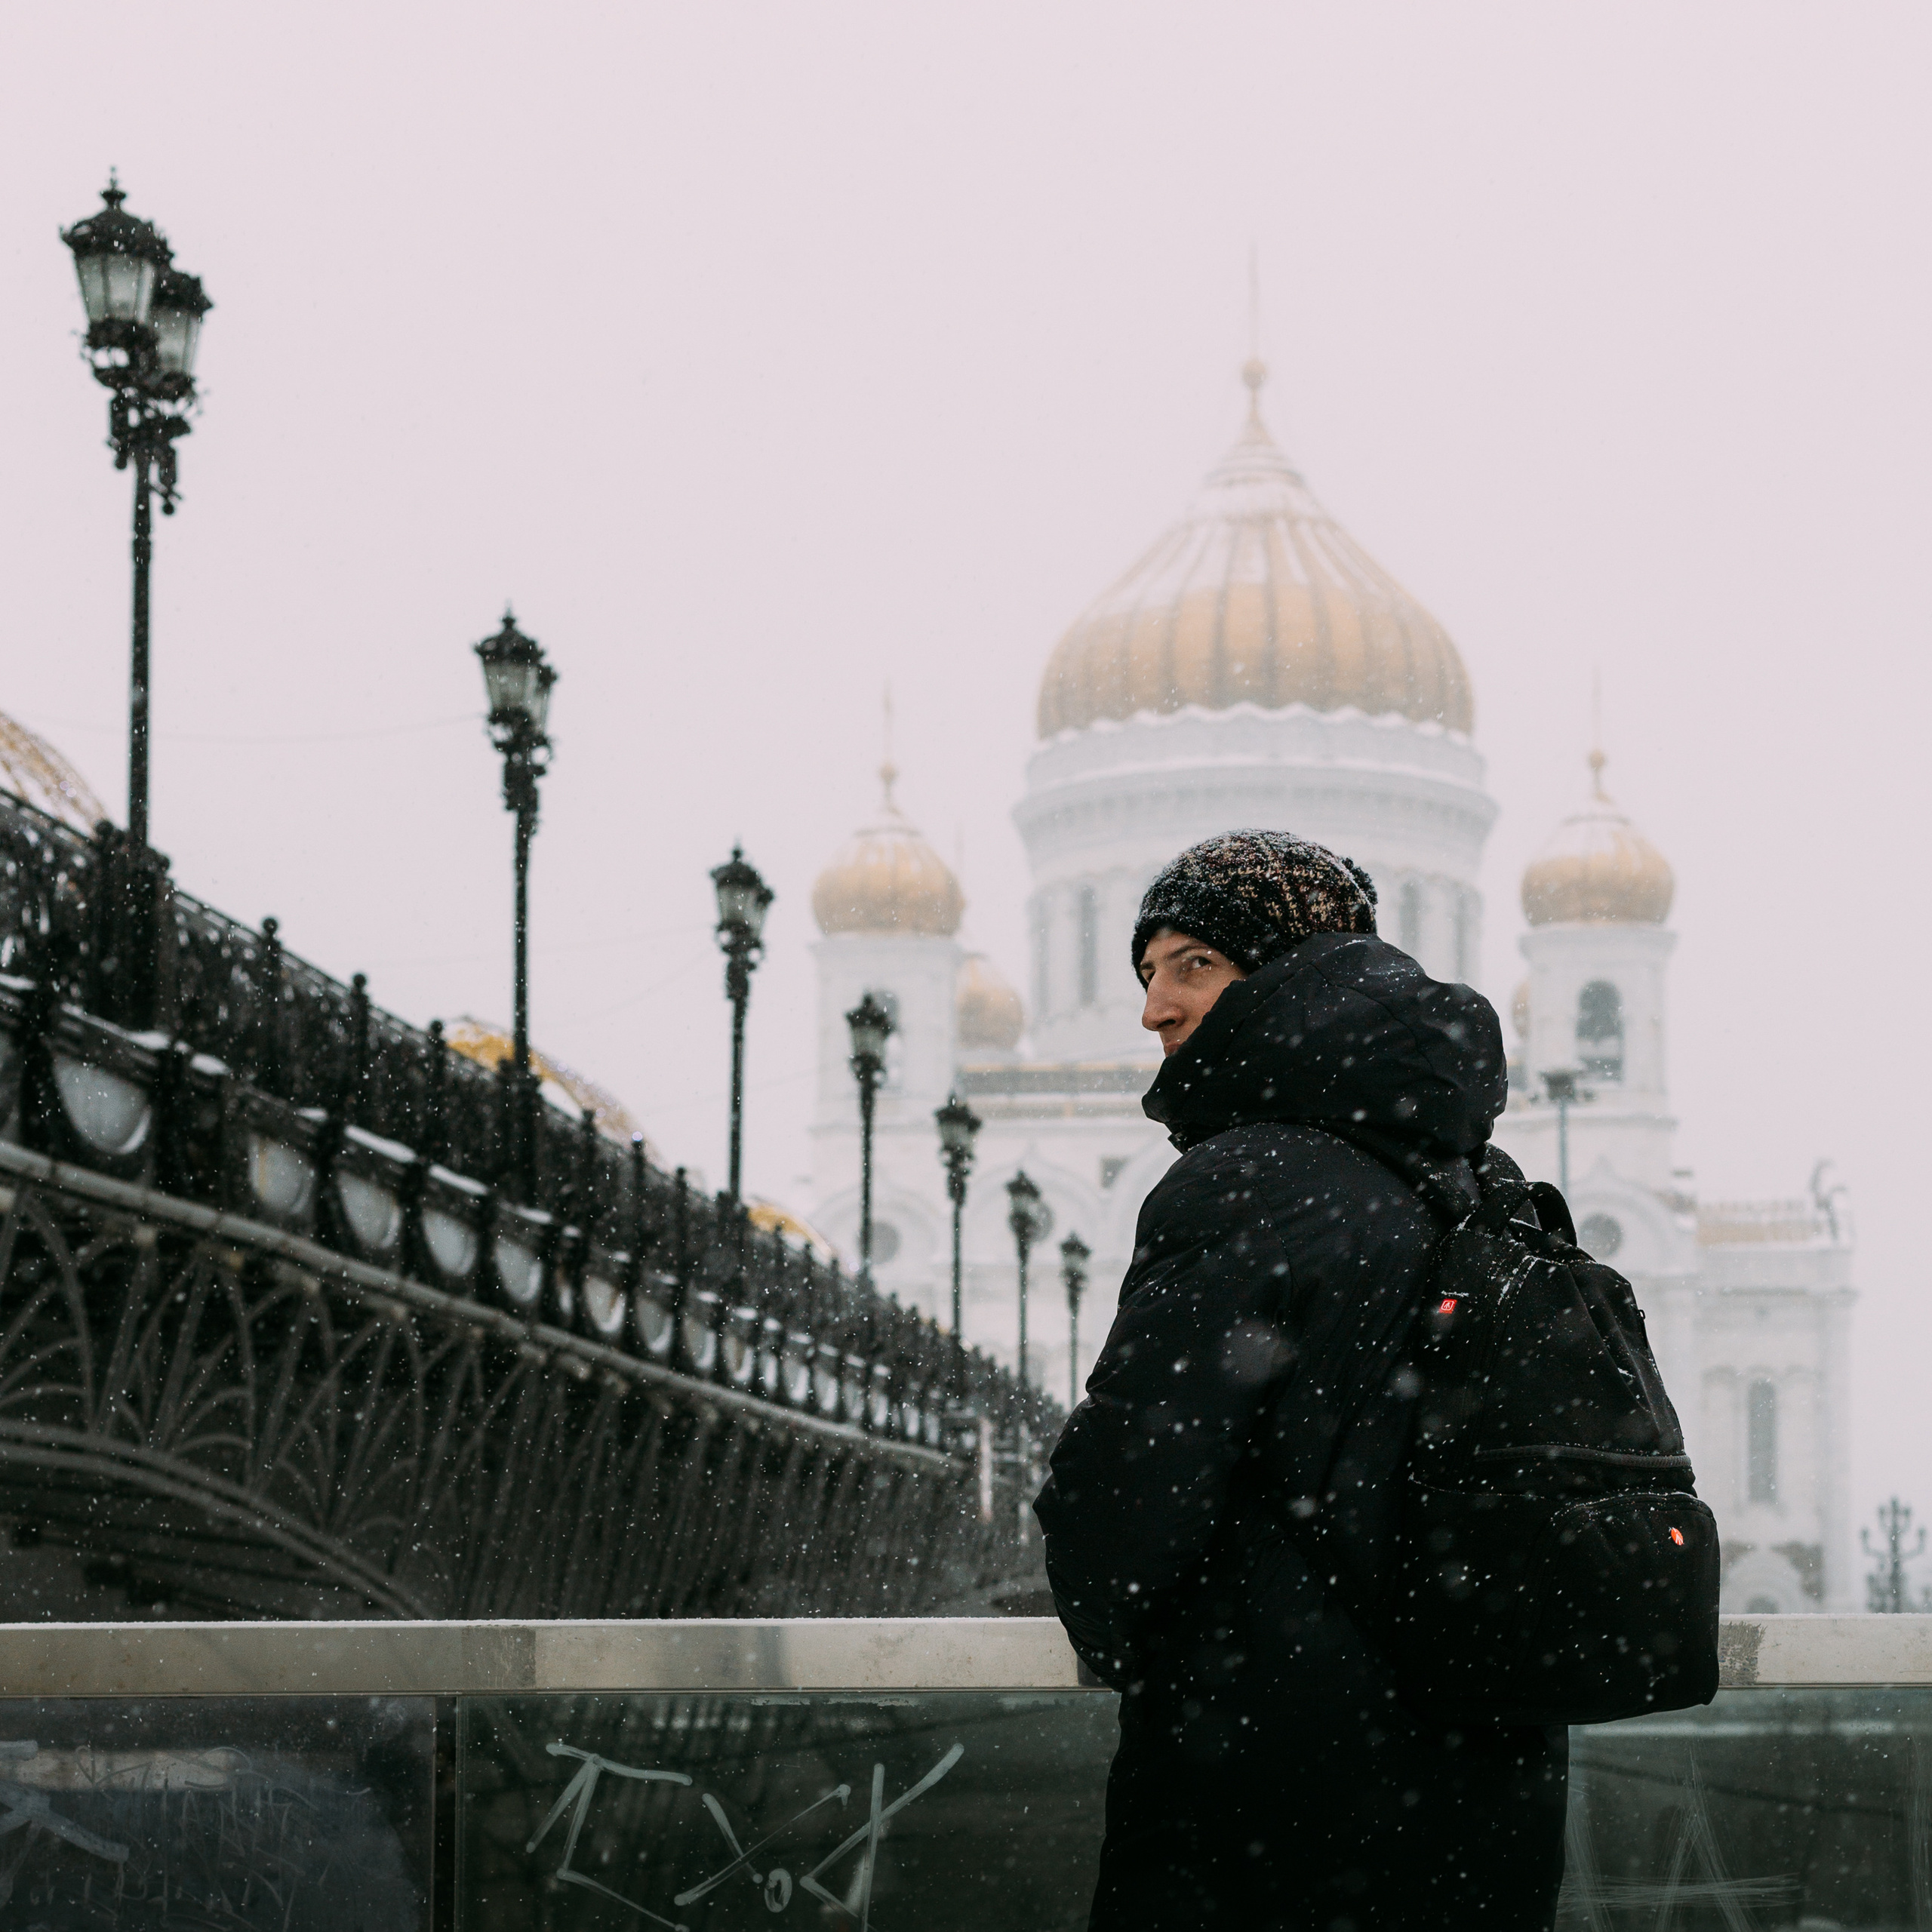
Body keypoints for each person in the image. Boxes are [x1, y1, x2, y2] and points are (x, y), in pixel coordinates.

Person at [1034, 829, 1567, 1932]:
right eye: (1145, 972)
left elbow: (1123, 1499)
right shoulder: (1482, 1183)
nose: (1154, 1010)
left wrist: (1186, 1657)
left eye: (1194, 965)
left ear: (1286, 976)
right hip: (1482, 1788)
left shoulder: (1245, 1181)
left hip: (1266, 1802)